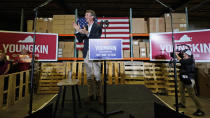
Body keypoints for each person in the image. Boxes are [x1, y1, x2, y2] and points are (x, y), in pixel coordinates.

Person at [73, 10, 103, 104]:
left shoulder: (97, 26)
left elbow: (97, 38)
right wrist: (78, 30)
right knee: (89, 74)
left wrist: (87, 33)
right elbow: (80, 39)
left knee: (97, 74)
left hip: (96, 52)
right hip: (86, 53)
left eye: (87, 15)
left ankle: (99, 95)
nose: (85, 16)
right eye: (85, 15)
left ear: (92, 17)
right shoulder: (85, 27)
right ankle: (90, 95)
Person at [176, 49, 205, 116]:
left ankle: (200, 109)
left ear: (188, 55)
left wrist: (176, 55)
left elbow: (182, 61)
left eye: (184, 54)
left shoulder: (190, 60)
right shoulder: (186, 60)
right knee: (181, 90)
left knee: (192, 95)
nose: (183, 54)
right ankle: (182, 103)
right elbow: (183, 66)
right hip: (183, 78)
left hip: (189, 79)